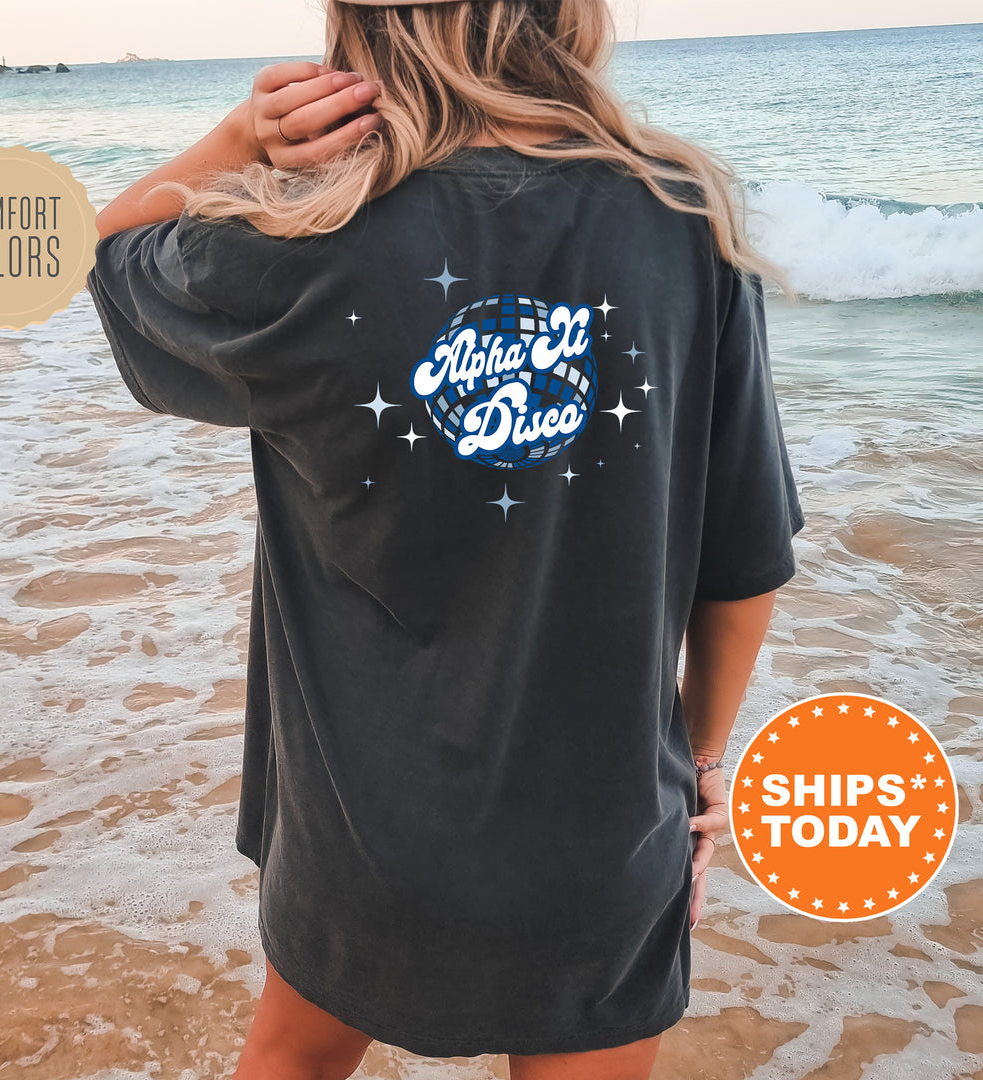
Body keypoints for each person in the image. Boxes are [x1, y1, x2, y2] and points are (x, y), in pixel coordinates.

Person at [84, 0, 806, 1077]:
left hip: (358, 834)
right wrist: (704, 765)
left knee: (291, 1057)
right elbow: (744, 560)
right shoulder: (683, 219)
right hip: (601, 832)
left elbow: (106, 252)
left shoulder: (295, 238)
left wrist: (241, 142)